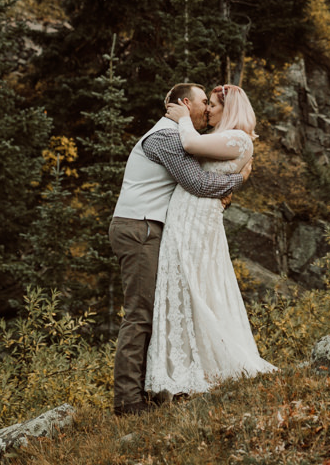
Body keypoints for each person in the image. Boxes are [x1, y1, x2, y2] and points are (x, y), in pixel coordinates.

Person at [108, 82, 250, 417]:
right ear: (186, 104)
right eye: (203, 102)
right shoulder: (167, 137)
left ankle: (151, 390)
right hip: (139, 227)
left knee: (155, 311)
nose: (207, 108)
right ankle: (127, 403)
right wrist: (238, 181)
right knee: (141, 313)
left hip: (147, 227)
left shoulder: (176, 134)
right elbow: (197, 183)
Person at [146, 83, 276, 396]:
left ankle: (208, 364)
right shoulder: (220, 138)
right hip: (188, 213)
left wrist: (182, 117)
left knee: (195, 284)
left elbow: (189, 145)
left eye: (213, 106)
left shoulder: (238, 138)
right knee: (184, 283)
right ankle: (189, 362)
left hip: (196, 218)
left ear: (228, 109)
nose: (208, 111)